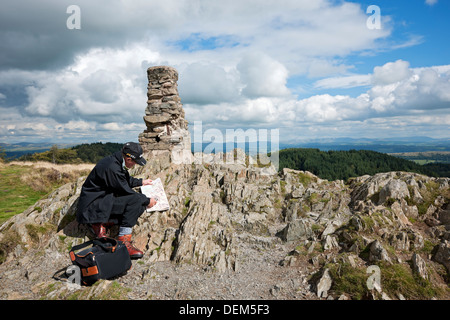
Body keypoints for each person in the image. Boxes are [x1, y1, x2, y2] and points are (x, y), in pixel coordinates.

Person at [76, 142, 156, 259]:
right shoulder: (112, 167)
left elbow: (123, 179)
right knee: (136, 201)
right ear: (128, 158)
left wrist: (141, 182)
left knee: (138, 205)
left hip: (102, 200)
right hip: (92, 207)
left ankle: (107, 222)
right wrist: (148, 200)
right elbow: (126, 191)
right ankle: (123, 241)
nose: (134, 165)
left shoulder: (116, 161)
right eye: (134, 162)